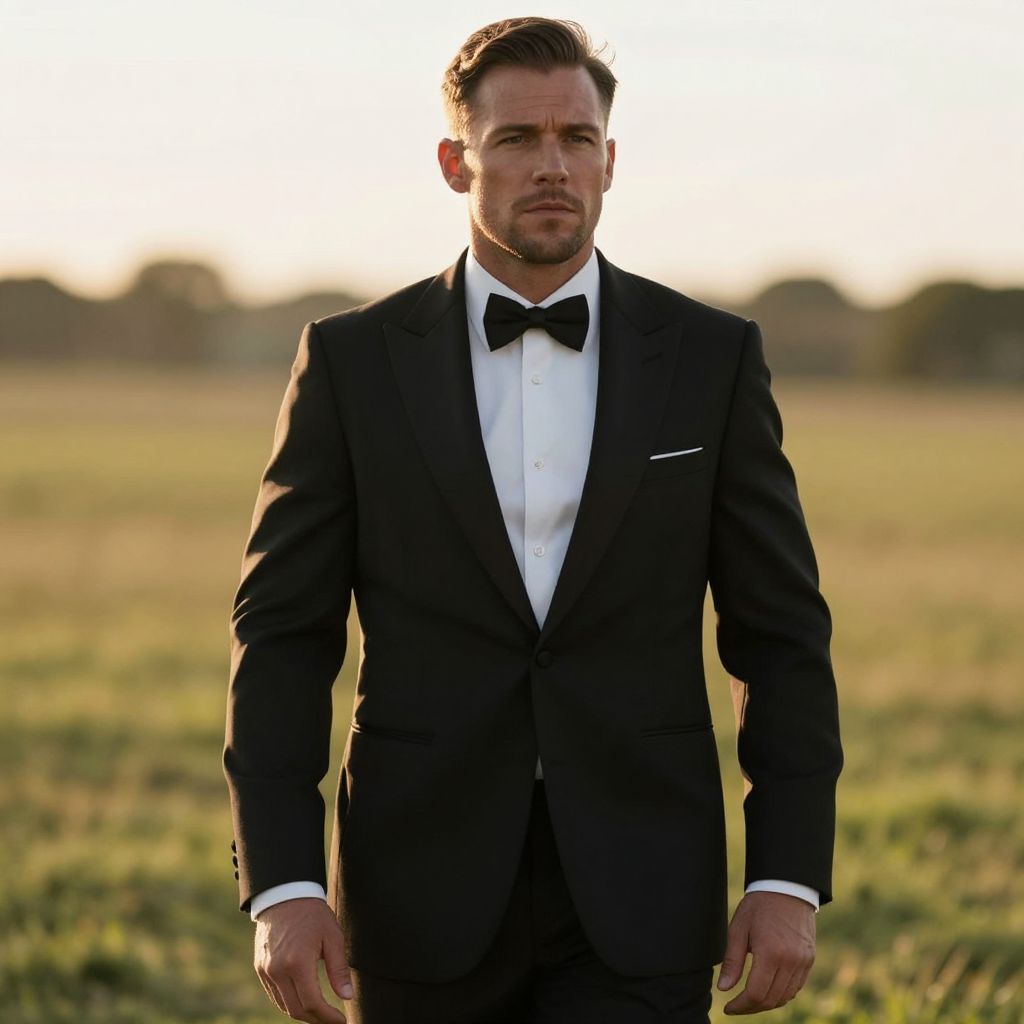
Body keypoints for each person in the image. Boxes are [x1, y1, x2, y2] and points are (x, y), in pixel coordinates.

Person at [223, 17, 843, 1024]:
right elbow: (282, 636)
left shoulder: (710, 357)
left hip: (645, 883)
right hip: (415, 884)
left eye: (576, 139)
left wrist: (788, 876)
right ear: (453, 162)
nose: (551, 166)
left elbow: (779, 636)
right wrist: (285, 885)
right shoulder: (350, 363)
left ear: (609, 160)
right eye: (515, 139)